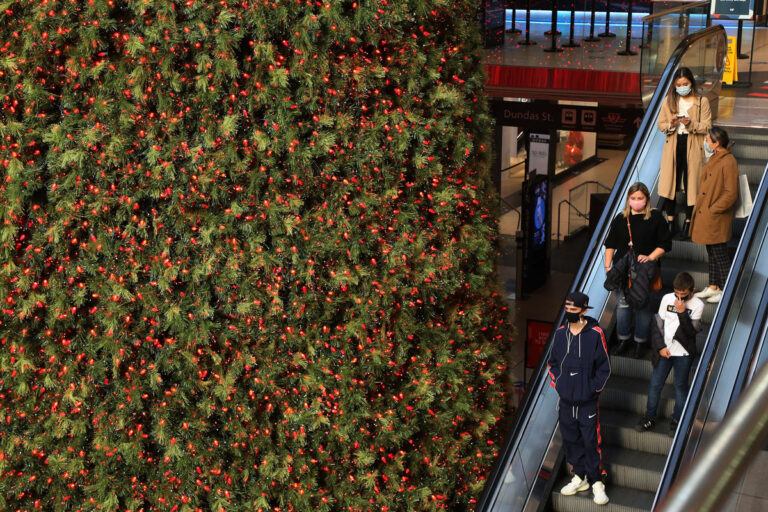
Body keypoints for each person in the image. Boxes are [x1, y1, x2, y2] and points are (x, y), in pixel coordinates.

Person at [547, 292, 611, 506]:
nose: (569, 313)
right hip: (566, 401)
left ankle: (597, 481)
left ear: (584, 310)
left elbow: (604, 368)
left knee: (591, 441)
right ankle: (579, 476)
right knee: (570, 439)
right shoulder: (560, 333)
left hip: (587, 402)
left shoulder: (595, 334)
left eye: (574, 310)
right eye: (567, 309)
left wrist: (592, 390)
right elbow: (552, 363)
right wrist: (559, 385)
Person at [604, 183, 672, 358]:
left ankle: (640, 342)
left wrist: (651, 257)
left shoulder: (656, 218)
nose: (636, 201)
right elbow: (610, 245)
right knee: (623, 306)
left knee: (643, 307)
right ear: (628, 199)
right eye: (633, 198)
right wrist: (607, 266)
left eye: (640, 198)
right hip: (622, 271)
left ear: (647, 199)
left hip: (644, 272)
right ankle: (623, 339)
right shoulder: (620, 219)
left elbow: (665, 244)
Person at [635, 272, 703, 435]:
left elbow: (690, 333)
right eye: (677, 294)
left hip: (684, 353)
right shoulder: (666, 298)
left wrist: (681, 312)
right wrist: (660, 347)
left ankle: (677, 419)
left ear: (692, 291)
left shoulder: (698, 304)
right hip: (664, 350)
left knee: (680, 387)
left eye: (684, 295)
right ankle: (649, 417)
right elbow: (658, 323)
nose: (679, 298)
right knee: (655, 385)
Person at [657, 67, 712, 239]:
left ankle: (689, 222)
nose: (682, 87)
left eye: (685, 84)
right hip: (673, 143)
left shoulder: (702, 101)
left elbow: (707, 126)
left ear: (691, 83)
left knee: (691, 184)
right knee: (669, 184)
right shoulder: (669, 101)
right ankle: (671, 222)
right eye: (678, 84)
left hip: (693, 144)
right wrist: (672, 125)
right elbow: (661, 124)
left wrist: (690, 124)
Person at [690, 127, 739, 304]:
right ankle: (713, 286)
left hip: (716, 216)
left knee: (720, 254)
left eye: (708, 140)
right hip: (709, 215)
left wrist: (713, 209)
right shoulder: (718, 157)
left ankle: (726, 289)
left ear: (716, 143)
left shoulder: (728, 161)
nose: (706, 142)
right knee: (711, 251)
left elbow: (731, 193)